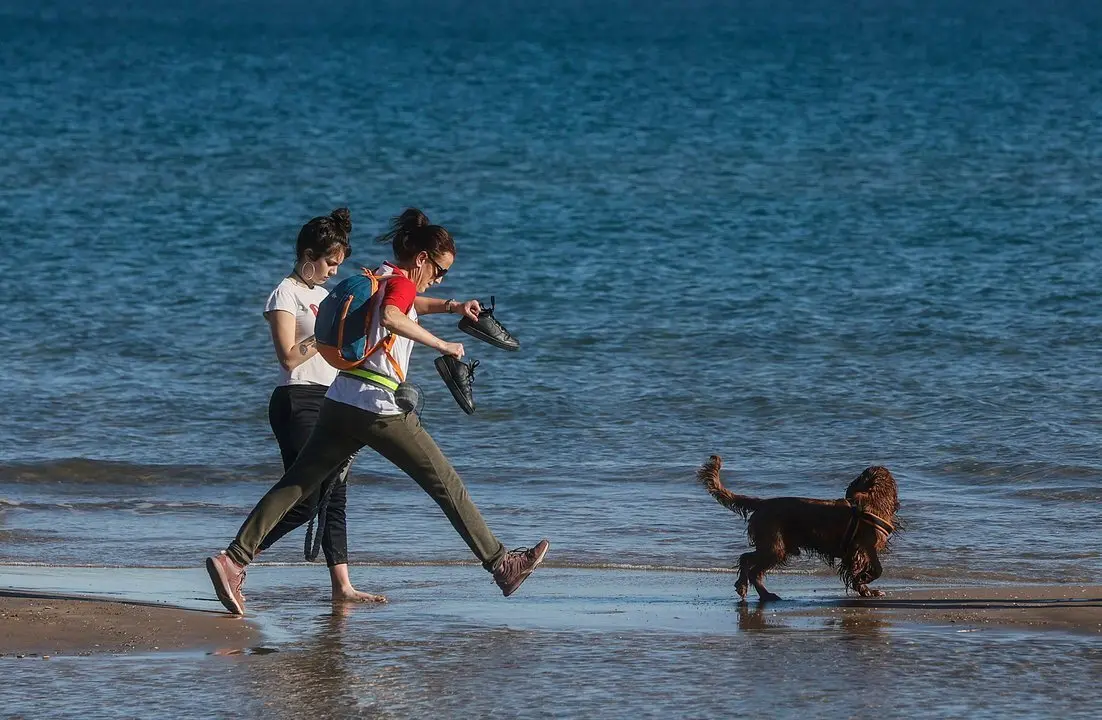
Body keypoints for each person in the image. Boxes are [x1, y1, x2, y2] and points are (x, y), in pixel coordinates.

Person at [206, 208, 549, 615]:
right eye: (439, 269)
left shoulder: (384, 274)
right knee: (445, 482)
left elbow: (408, 302)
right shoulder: (399, 284)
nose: (441, 278)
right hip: (378, 406)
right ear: (421, 258)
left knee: (297, 483)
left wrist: (454, 306)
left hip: (339, 400)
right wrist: (443, 346)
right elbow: (392, 313)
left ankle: (233, 560)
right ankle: (503, 565)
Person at [255, 207, 384, 603]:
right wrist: (324, 332)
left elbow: (345, 348)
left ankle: (342, 587)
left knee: (335, 495)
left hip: (330, 399)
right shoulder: (285, 293)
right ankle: (236, 557)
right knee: (305, 499)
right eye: (329, 262)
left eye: (339, 264)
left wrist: (370, 297)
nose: (332, 270)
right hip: (297, 399)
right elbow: (290, 357)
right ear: (308, 256)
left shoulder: (326, 296)